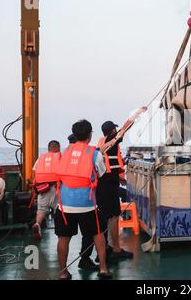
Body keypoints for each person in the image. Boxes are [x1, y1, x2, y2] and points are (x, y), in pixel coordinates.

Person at [54, 120, 111, 280]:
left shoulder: (66, 152)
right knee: (98, 233)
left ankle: (63, 273)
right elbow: (101, 173)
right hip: (87, 205)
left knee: (63, 238)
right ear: (90, 134)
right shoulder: (94, 154)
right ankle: (104, 269)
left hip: (64, 205)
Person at [95, 121, 133, 260]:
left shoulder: (102, 141)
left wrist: (120, 178)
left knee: (105, 216)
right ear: (112, 131)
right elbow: (125, 129)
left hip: (103, 183)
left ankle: (105, 250)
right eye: (115, 129)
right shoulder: (112, 141)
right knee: (114, 216)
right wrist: (135, 116)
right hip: (108, 185)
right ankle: (115, 249)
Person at [31, 140, 61, 240]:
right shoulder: (60, 157)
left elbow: (34, 174)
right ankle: (59, 231)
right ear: (58, 148)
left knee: (41, 210)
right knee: (59, 211)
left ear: (48, 149)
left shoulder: (41, 158)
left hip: (43, 188)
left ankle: (37, 224)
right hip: (56, 188)